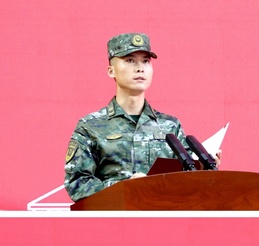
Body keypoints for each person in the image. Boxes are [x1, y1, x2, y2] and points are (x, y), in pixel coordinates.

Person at [65, 33, 193, 201]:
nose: (140, 68)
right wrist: (124, 187)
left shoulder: (170, 126)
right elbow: (77, 183)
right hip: (114, 215)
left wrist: (204, 168)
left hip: (161, 214)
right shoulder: (90, 126)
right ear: (111, 71)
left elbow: (187, 179)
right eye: (130, 60)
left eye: (146, 61)